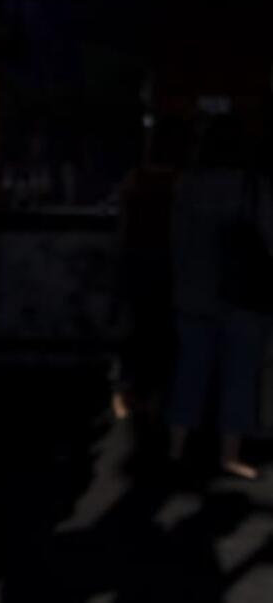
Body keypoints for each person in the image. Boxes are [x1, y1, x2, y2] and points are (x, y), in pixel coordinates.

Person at [167, 114, 273, 480]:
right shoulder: (252, 187)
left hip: (193, 295)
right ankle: (230, 456)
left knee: (190, 372)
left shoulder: (188, 185)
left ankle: (176, 449)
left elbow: (176, 242)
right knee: (240, 377)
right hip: (243, 298)